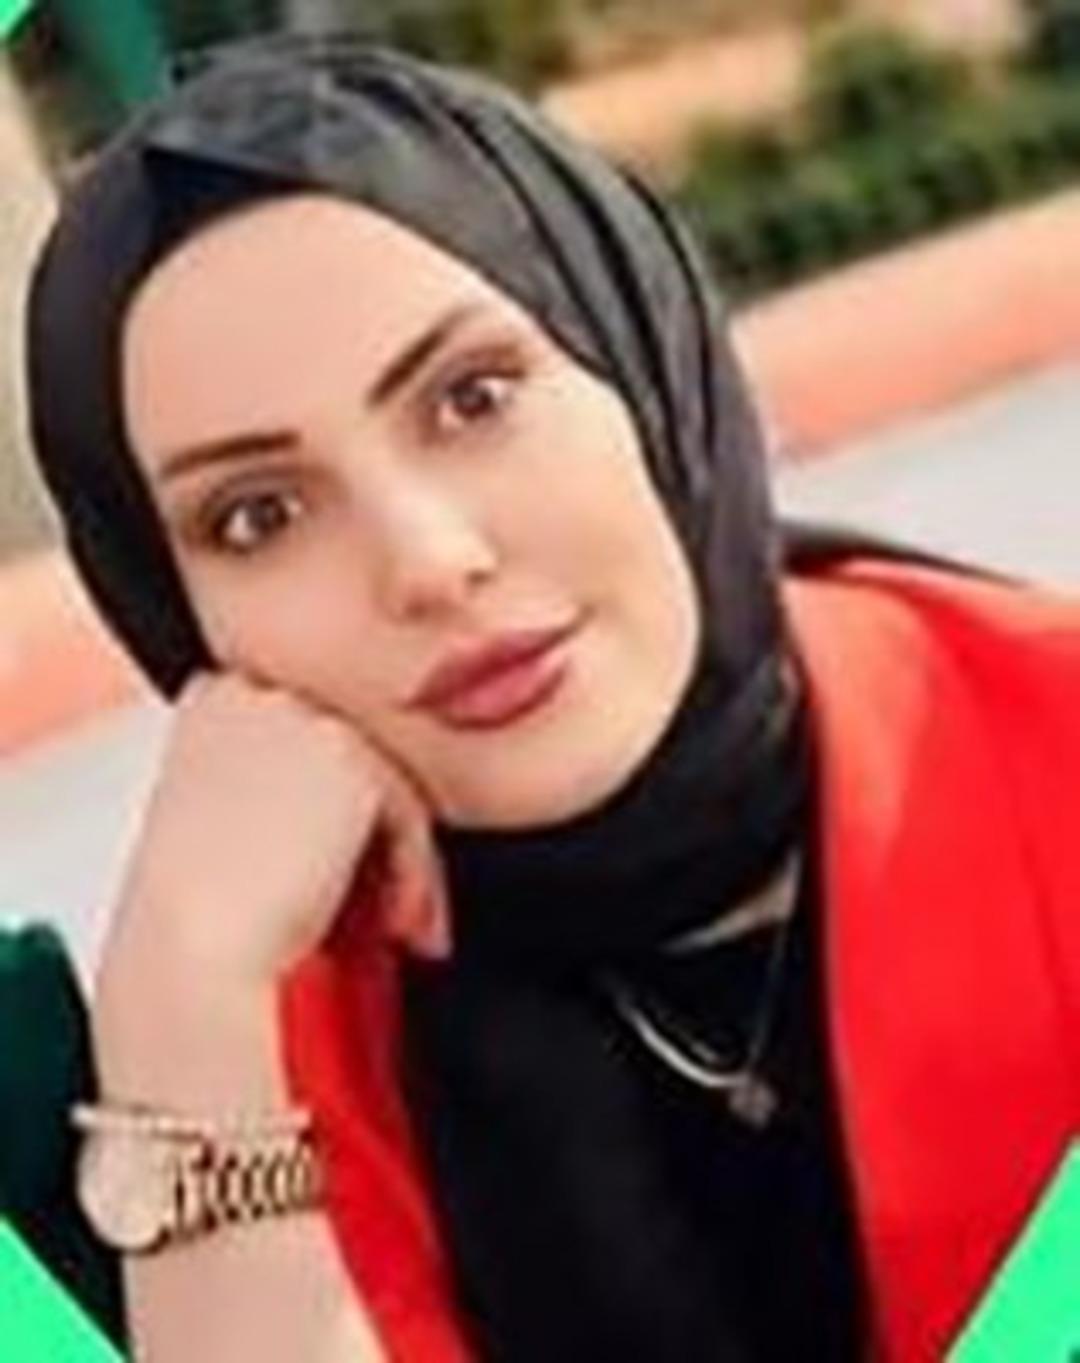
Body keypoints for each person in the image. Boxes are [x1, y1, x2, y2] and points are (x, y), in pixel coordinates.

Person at [17, 33, 1080, 1363]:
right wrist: (188, 1016)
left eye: (474, 397)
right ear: (175, 618)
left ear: (642, 367)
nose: (427, 560)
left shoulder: (1045, 746)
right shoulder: (260, 1043)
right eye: (258, 516)